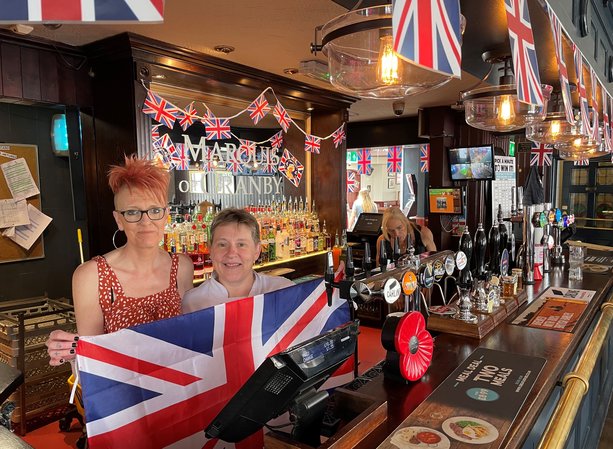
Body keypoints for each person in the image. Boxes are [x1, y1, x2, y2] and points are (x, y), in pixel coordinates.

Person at [46, 155, 194, 365]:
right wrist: (70, 350)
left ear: (166, 215)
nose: (146, 222)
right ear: (119, 220)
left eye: (154, 210)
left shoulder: (182, 267)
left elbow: (190, 336)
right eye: (133, 212)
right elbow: (93, 362)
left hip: (179, 383)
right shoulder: (91, 275)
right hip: (127, 391)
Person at [182, 208, 294, 312]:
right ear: (210, 250)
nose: (231, 253)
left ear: (257, 251)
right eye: (222, 244)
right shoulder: (192, 302)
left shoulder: (284, 291)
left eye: (241, 244)